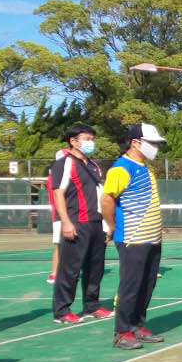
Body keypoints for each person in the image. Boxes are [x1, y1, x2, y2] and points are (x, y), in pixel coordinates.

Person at [101, 123, 168, 350]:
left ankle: (137, 326)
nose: (155, 148)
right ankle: (121, 332)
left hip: (152, 239)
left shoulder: (146, 168)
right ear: (135, 143)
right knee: (130, 286)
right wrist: (112, 226)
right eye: (152, 143)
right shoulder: (120, 169)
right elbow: (107, 200)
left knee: (146, 285)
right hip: (132, 238)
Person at [49, 125, 112, 324]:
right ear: (73, 141)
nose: (90, 142)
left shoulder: (94, 166)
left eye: (92, 138)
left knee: (95, 268)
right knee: (70, 269)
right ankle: (62, 311)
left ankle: (91, 306)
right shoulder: (64, 163)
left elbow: (101, 195)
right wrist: (66, 222)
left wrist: (107, 224)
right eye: (86, 138)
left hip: (96, 224)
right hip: (77, 223)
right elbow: (58, 193)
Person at [46, 147, 67, 285]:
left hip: (64, 216)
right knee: (60, 246)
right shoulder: (55, 177)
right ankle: (54, 273)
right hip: (60, 216)